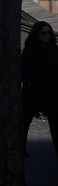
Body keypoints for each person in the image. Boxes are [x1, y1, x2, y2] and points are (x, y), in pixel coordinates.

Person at [22, 21, 58, 156]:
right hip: (33, 93)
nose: (47, 36)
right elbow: (24, 70)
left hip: (50, 93)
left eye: (49, 32)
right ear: (37, 35)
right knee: (24, 123)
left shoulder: (54, 50)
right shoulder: (30, 50)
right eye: (43, 33)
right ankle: (21, 149)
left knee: (55, 125)